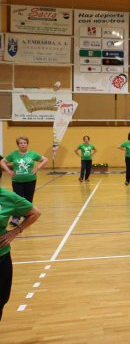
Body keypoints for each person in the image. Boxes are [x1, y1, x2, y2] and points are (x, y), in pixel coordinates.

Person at [0, 188, 41, 320]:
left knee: (1, 299)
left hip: (1, 257)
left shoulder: (7, 197)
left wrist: (15, 231)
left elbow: (35, 213)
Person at [0, 137, 48, 226]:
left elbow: (45, 159)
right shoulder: (13, 154)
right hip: (17, 181)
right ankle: (15, 218)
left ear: (27, 144)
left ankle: (28, 216)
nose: (23, 144)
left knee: (28, 199)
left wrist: (37, 167)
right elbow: (2, 161)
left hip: (31, 180)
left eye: (25, 143)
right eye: (21, 143)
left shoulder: (32, 154)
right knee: (17, 199)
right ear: (18, 145)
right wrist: (8, 171)